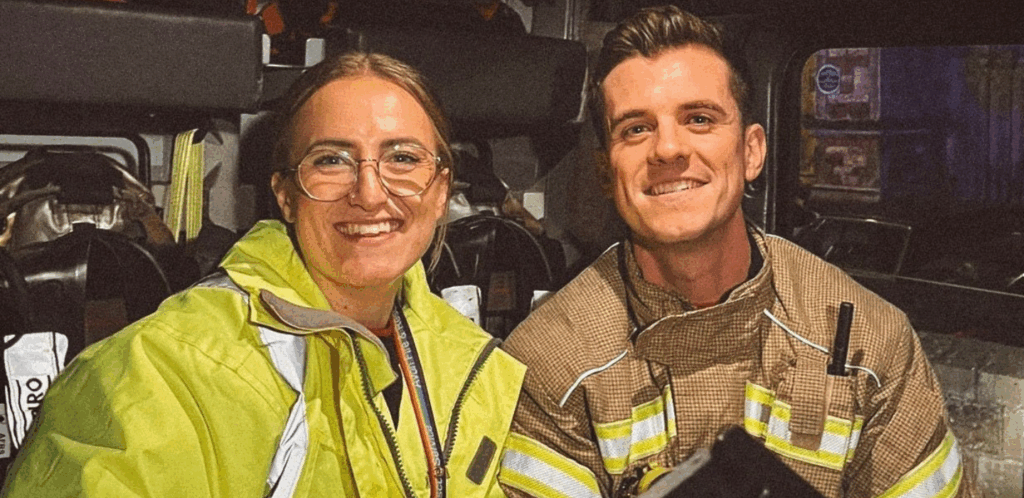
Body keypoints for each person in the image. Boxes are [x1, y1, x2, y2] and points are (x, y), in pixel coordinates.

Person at [496, 6, 976, 498]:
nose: (667, 150)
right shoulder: (551, 362)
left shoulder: (868, 341)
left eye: (699, 119)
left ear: (751, 152)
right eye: (636, 129)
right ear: (604, 173)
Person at [2, 52, 525, 497]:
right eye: (332, 160)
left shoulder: (471, 365)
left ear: (439, 191)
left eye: (403, 158)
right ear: (285, 195)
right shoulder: (162, 372)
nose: (369, 193)